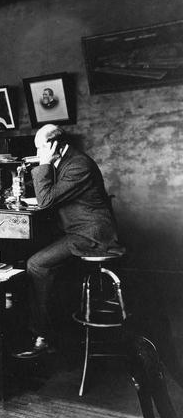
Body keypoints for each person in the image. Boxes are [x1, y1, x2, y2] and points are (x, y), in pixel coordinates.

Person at [14, 124, 124, 358]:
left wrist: (43, 164)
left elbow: (45, 201)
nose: (38, 153)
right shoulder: (65, 161)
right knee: (35, 256)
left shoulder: (78, 165)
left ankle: (43, 337)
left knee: (37, 264)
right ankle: (53, 330)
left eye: (41, 148)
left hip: (93, 235)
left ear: (55, 145)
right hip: (76, 230)